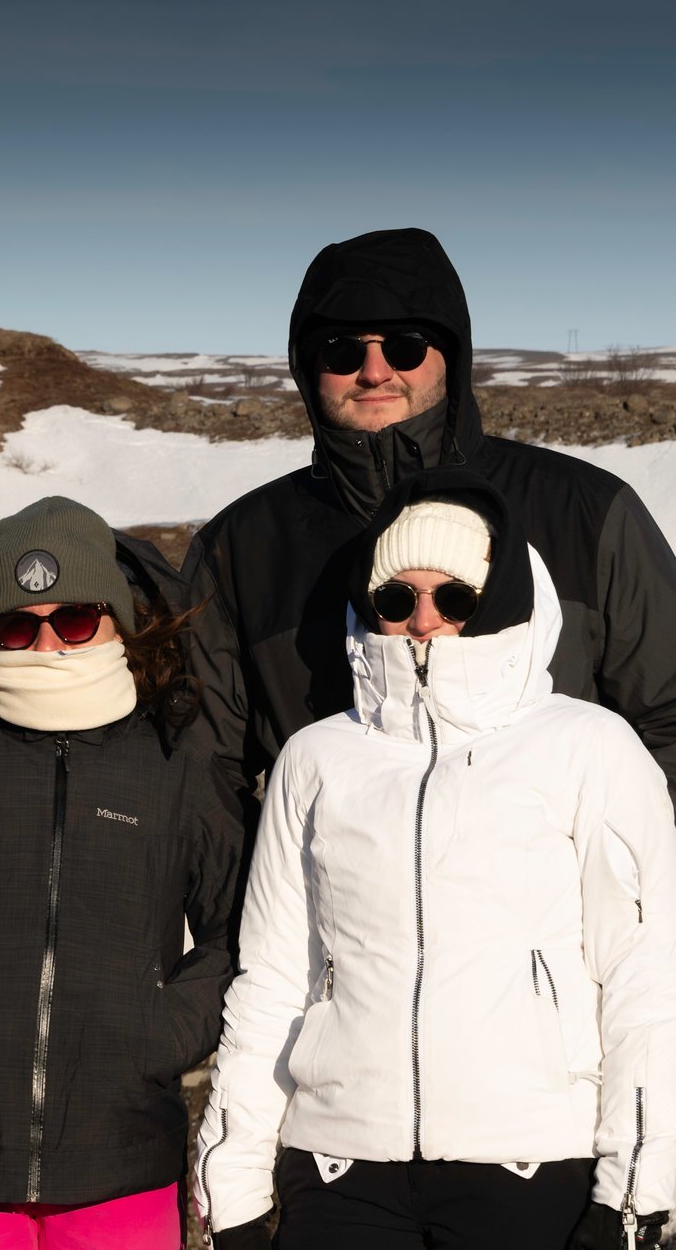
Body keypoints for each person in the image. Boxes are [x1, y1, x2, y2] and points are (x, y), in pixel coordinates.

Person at [195, 471, 676, 1250]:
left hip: (531, 1164)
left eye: (456, 598)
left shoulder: (587, 746)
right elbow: (274, 980)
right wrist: (235, 1186)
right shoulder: (316, 758)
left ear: (502, 598)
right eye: (398, 598)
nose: (424, 620)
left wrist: (634, 1194)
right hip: (337, 1169)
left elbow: (647, 981)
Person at [181, 227, 676, 846]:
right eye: (340, 350)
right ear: (309, 370)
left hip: (556, 930)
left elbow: (666, 720)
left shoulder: (585, 512)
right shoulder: (241, 549)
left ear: (452, 356)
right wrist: (245, 935)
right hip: (342, 932)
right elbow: (203, 774)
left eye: (406, 345)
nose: (374, 370)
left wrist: (632, 907)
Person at [0, 496, 238, 1250]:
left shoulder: (178, 757)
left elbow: (237, 924)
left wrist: (163, 1029)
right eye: (18, 623)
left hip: (122, 1155)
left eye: (72, 619)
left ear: (116, 618)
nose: (45, 643)